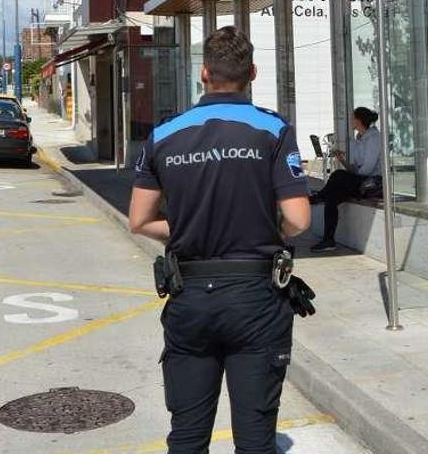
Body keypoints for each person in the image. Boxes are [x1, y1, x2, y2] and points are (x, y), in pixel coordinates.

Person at [128, 26, 311, 453]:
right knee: (255, 439)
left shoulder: (163, 134)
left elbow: (139, 219)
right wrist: (259, 226)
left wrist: (192, 225)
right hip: (255, 300)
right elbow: (298, 220)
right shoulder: (273, 129)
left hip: (190, 298)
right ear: (253, 73)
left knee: (188, 437)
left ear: (204, 74)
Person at [309, 107, 382, 253]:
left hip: (373, 184)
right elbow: (354, 170)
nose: (350, 121)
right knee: (331, 199)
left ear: (360, 120)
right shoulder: (358, 140)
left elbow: (367, 169)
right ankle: (328, 240)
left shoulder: (374, 139)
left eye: (353, 118)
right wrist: (342, 159)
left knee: (338, 175)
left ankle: (318, 196)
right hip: (360, 183)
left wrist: (350, 174)